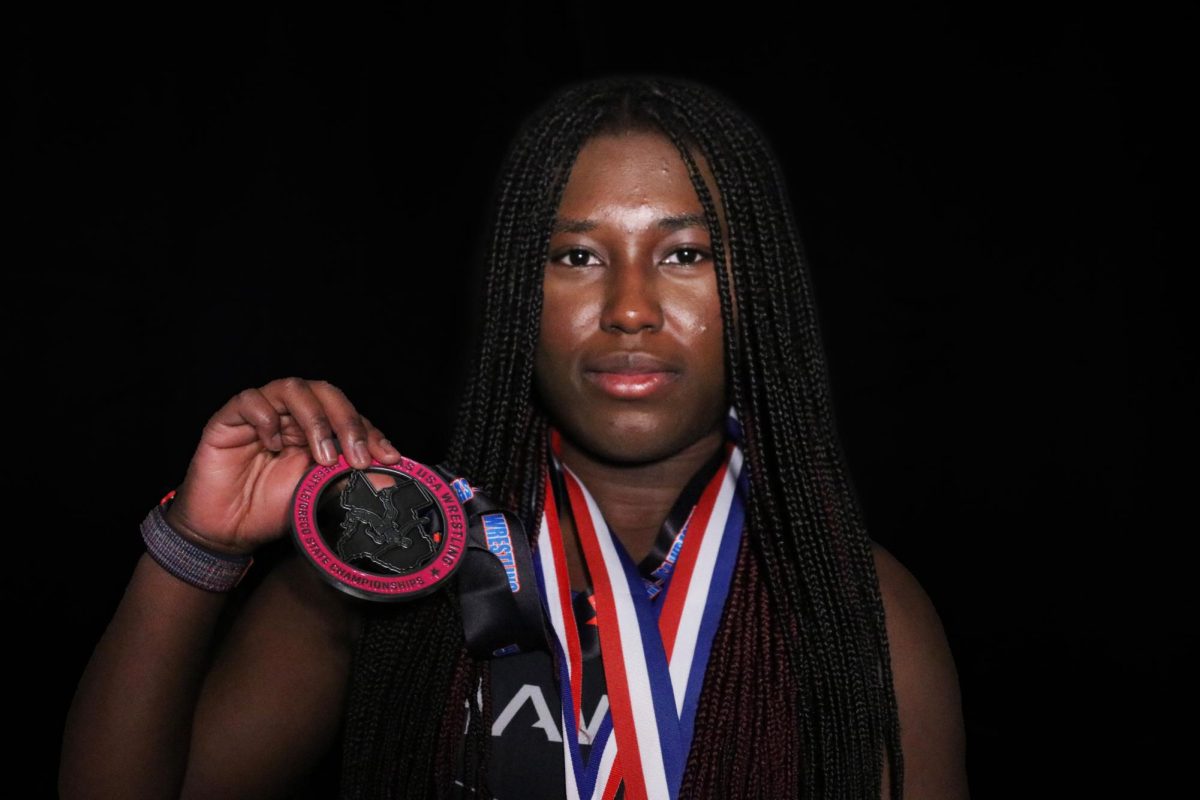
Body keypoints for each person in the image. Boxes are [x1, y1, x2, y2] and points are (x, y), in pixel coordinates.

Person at [60, 74, 967, 799]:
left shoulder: (857, 607)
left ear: (755, 293)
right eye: (576, 256)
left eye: (685, 254)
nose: (630, 308)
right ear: (514, 300)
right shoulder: (397, 560)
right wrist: (196, 545)